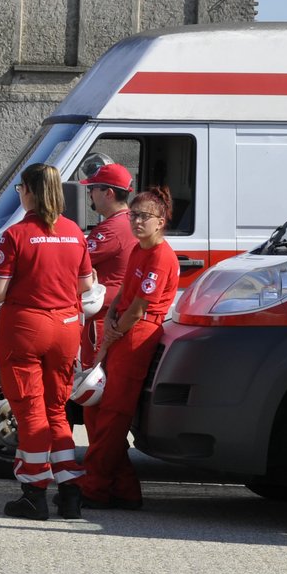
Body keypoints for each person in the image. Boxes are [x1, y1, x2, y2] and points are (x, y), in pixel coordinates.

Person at [0, 163, 95, 520]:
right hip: (65, 328)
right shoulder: (75, 233)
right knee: (56, 411)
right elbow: (85, 286)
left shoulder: (16, 235)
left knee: (31, 412)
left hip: (26, 328)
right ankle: (69, 491)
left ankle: (34, 493)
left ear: (30, 191)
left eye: (20, 189)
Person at [80, 186, 180, 510]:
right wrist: (110, 315)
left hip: (137, 335)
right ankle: (124, 489)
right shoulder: (139, 250)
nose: (136, 221)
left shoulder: (161, 256)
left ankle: (93, 488)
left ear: (160, 221)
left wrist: (111, 334)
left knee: (112, 415)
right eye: (134, 215)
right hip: (122, 327)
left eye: (143, 217)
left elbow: (139, 309)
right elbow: (124, 293)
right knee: (94, 410)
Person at [78, 162, 136, 369]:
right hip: (114, 314)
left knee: (93, 379)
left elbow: (72, 261)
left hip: (103, 316)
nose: (90, 194)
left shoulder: (112, 230)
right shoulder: (128, 221)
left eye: (92, 188)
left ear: (108, 193)